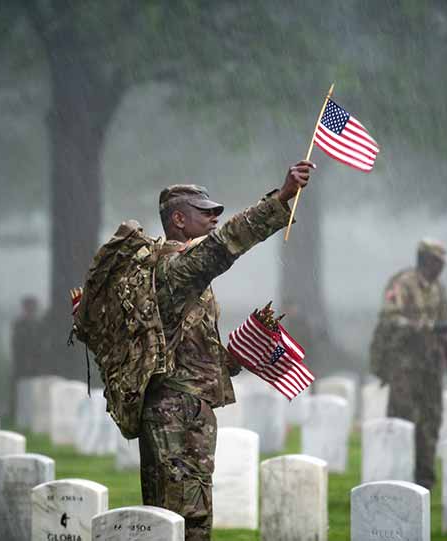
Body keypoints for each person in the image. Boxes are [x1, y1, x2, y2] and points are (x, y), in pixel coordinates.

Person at [140, 160, 314, 541]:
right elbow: (226, 244)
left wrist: (235, 355)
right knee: (179, 516)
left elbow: (187, 346)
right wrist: (281, 197)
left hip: (190, 408)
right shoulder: (175, 267)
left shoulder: (187, 274)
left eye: (216, 210)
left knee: (194, 514)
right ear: (178, 220)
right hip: (175, 413)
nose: (214, 216)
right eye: (205, 212)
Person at [369, 238, 447, 489]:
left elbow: (445, 321)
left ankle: (424, 478)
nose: (441, 267)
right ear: (426, 260)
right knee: (401, 417)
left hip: (430, 362)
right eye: (438, 262)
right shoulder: (402, 284)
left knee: (431, 418)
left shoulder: (438, 288)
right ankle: (396, 473)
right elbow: (390, 318)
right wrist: (423, 328)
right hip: (404, 362)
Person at [10, 295, 42, 415]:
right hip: (21, 362)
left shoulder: (39, 325)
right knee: (19, 391)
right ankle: (16, 412)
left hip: (36, 362)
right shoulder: (19, 325)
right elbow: (16, 344)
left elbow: (40, 344)